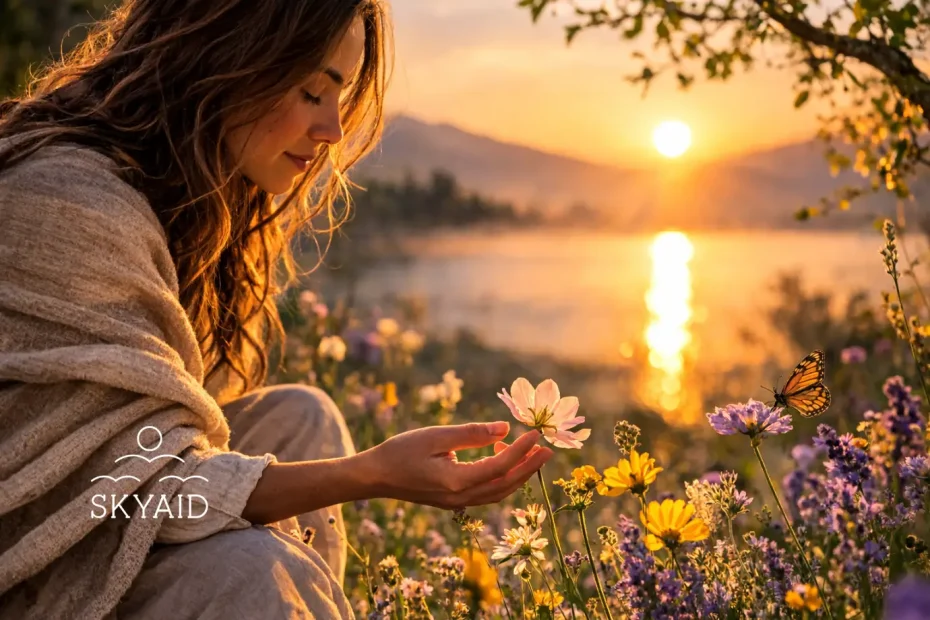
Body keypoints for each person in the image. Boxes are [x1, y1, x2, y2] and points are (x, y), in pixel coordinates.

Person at [0, 1, 554, 618]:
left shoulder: (182, 199)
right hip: (34, 563)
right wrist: (369, 473)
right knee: (256, 573)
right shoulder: (63, 205)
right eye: (313, 91)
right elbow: (119, 492)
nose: (334, 132)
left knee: (301, 418)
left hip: (112, 513)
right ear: (225, 63)